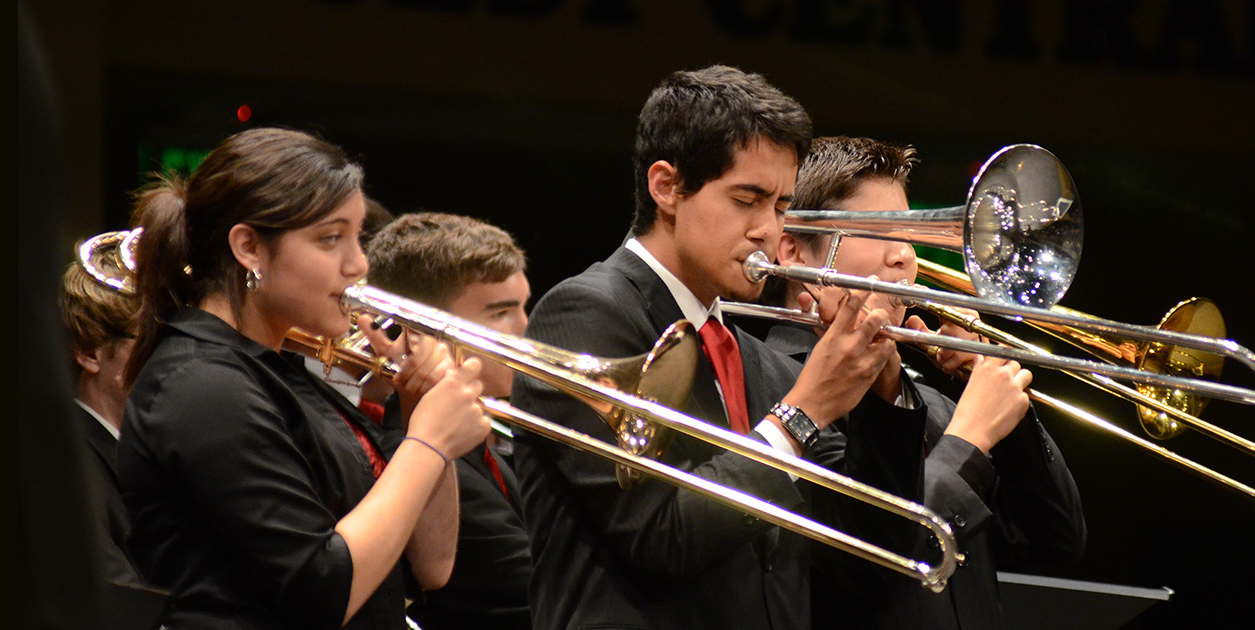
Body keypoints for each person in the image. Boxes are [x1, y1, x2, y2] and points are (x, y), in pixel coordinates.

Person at [510, 65, 929, 630]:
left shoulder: (758, 363)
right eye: (746, 200)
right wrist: (800, 416)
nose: (769, 231)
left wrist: (882, 388)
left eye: (780, 207)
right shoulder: (588, 314)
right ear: (667, 187)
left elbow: (870, 559)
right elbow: (659, 539)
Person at [116, 127, 492, 629]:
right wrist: (428, 442)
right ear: (249, 247)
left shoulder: (280, 371)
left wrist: (423, 421)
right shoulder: (201, 385)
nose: (358, 264)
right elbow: (325, 591)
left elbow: (433, 566)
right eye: (330, 238)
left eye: (358, 237)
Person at [767, 136, 1086, 629]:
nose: (904, 257)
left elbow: (1055, 540)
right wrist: (969, 439)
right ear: (794, 252)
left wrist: (991, 389)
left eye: (910, 233)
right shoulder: (773, 381)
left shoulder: (932, 402)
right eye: (878, 233)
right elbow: (868, 563)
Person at [364, 212, 534, 630]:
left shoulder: (487, 441)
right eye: (500, 313)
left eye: (522, 308)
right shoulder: (409, 452)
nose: (526, 330)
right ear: (420, 331)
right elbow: (533, 595)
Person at [58, 260, 147, 589]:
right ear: (90, 352)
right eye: (150, 338)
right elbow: (118, 600)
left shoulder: (155, 448)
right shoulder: (63, 463)